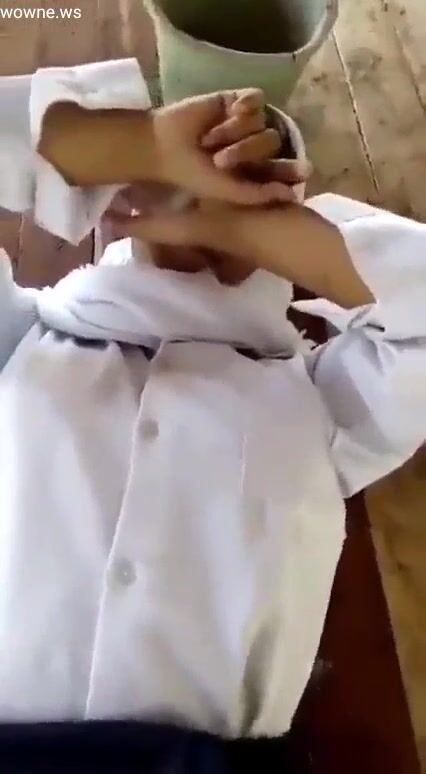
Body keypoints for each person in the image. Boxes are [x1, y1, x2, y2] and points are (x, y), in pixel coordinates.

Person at [0, 58, 425, 773]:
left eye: (255, 185)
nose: (213, 184)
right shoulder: (17, 341)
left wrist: (240, 224)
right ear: (116, 208)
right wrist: (136, 143)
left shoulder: (327, 406)